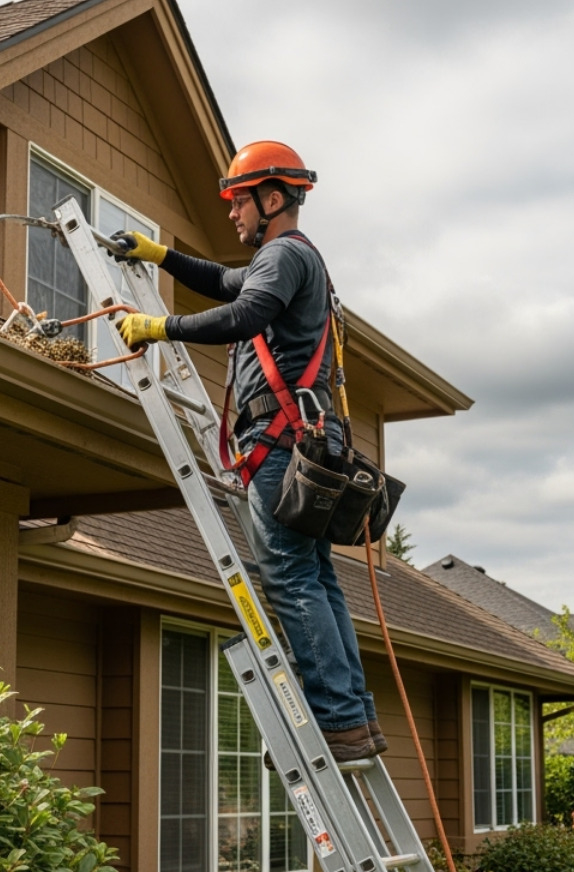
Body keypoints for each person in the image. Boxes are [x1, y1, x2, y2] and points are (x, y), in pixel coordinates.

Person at [109, 140, 385, 763]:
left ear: (271, 198)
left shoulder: (283, 256)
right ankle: (354, 720)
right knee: (314, 578)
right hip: (305, 444)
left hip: (282, 445)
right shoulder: (290, 259)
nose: (232, 214)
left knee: (290, 577)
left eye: (238, 201)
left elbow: (244, 311)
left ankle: (336, 721)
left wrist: (160, 327)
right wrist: (161, 256)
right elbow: (225, 280)